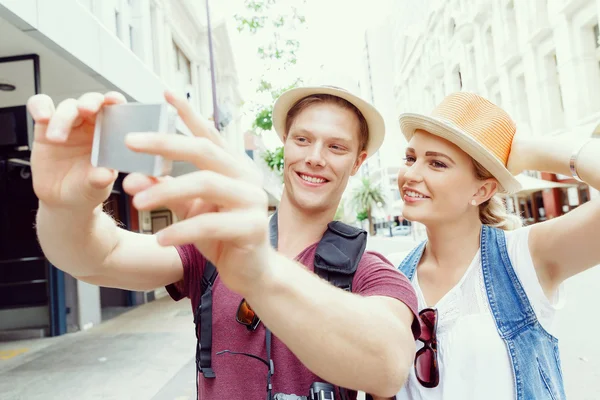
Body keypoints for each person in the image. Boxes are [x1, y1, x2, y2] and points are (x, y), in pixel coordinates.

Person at [26, 80, 419, 400]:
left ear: (359, 161)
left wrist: (260, 273)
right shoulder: (216, 243)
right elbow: (100, 257)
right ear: (284, 143)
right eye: (302, 140)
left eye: (336, 147)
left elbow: (387, 365)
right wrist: (65, 206)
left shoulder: (371, 272)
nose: (315, 157)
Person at [387, 91, 600, 400]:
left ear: (482, 190)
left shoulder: (524, 259)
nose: (411, 174)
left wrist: (528, 152)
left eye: (437, 164)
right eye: (411, 158)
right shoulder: (390, 272)